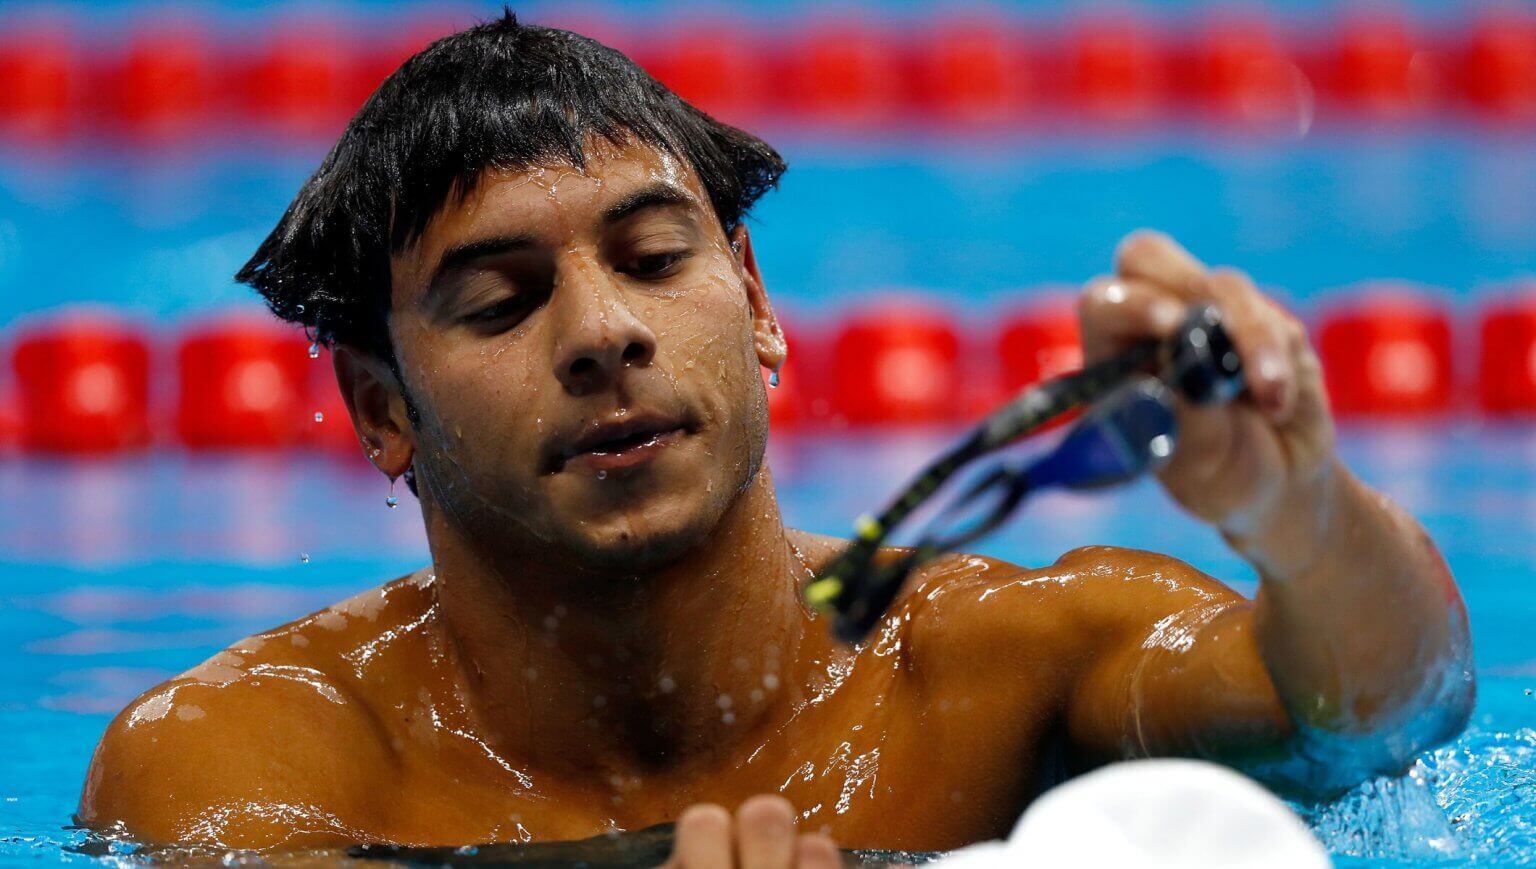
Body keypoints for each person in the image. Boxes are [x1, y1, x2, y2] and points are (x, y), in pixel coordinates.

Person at [77, 12, 1474, 866]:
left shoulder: (989, 669)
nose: (603, 331)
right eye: (502, 302)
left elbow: (1388, 714)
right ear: (382, 407)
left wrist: (1306, 519)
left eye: (654, 256)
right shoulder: (253, 756)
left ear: (755, 303)